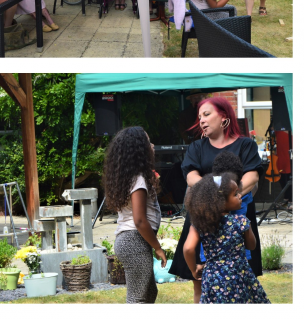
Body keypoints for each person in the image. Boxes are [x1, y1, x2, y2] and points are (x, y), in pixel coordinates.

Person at [167, 96, 265, 302]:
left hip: (238, 213)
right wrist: (217, 197)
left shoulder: (245, 145)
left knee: (245, 283)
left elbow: (252, 176)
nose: (201, 120)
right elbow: (191, 176)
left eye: (207, 114)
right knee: (200, 287)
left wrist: (231, 197)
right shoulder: (197, 147)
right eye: (199, 116)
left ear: (224, 118)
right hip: (202, 216)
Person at [182, 172, 269, 304]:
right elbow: (251, 246)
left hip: (213, 277)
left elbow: (188, 248)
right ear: (220, 201)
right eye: (235, 194)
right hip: (239, 275)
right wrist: (247, 227)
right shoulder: (241, 221)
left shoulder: (200, 224)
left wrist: (194, 269)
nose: (240, 196)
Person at [103, 127, 165, 303]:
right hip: (134, 241)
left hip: (132, 241)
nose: (152, 145)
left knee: (149, 293)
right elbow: (139, 220)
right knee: (137, 299)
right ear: (140, 149)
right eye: (148, 142)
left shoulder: (131, 178)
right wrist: (158, 247)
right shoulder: (138, 179)